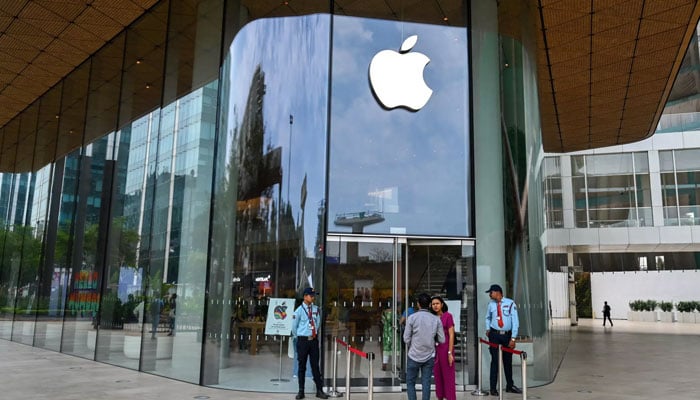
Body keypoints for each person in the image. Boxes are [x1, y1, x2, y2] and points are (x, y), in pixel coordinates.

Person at [403, 292, 445, 400]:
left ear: (418, 304)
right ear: (430, 305)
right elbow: (442, 339)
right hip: (429, 356)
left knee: (410, 382)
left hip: (413, 355)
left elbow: (406, 338)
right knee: (426, 383)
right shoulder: (436, 319)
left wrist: (413, 345)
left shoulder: (412, 318)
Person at [292, 287, 329, 399]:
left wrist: (313, 332)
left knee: (315, 366)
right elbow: (294, 327)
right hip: (303, 341)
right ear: (305, 297)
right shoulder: (298, 311)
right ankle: (301, 391)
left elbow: (317, 322)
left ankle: (319, 390)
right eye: (310, 295)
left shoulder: (316, 309)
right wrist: (299, 336)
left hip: (313, 340)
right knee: (302, 366)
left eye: (313, 295)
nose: (313, 297)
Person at [485, 284, 522, 396]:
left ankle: (510, 385)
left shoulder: (510, 303)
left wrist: (513, 338)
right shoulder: (491, 305)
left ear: (497, 292)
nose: (490, 295)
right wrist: (488, 329)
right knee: (495, 361)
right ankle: (493, 388)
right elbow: (488, 318)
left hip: (507, 336)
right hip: (494, 335)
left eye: (491, 292)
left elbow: (515, 322)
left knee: (507, 361)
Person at [431, 296, 456, 400]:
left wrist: (450, 353)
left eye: (437, 303)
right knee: (438, 375)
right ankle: (440, 397)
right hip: (435, 349)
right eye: (433, 304)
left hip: (446, 349)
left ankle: (450, 397)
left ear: (442, 304)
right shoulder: (431, 317)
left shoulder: (448, 316)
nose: (435, 306)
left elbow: (451, 335)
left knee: (448, 376)